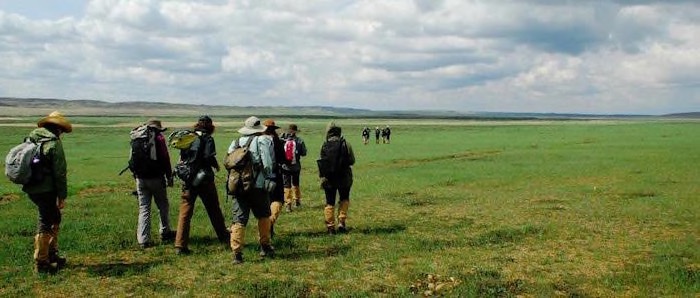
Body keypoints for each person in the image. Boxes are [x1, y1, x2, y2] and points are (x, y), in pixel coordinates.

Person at [21, 111, 72, 273]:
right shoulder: (53, 143)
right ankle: (41, 262)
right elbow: (60, 173)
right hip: (46, 189)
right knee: (46, 221)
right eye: (61, 130)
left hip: (31, 187)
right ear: (58, 128)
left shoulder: (31, 138)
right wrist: (62, 196)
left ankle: (51, 254)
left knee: (54, 217)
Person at [173, 115, 229, 255]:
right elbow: (208, 156)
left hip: (188, 179)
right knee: (213, 209)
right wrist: (215, 165)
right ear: (210, 126)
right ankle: (224, 238)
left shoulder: (188, 137)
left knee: (185, 213)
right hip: (204, 180)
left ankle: (180, 245)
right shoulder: (207, 138)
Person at [227, 116, 276, 264]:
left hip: (238, 186)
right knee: (263, 216)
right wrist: (269, 177)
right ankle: (265, 246)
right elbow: (267, 163)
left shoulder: (235, 142)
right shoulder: (261, 140)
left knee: (238, 220)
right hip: (257, 185)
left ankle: (237, 253)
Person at [131, 119, 175, 249]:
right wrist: (169, 176)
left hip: (140, 178)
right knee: (162, 205)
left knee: (144, 208)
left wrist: (136, 176)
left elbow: (131, 160)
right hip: (156, 177)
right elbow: (165, 158)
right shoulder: (159, 138)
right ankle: (165, 231)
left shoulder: (136, 137)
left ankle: (143, 240)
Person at [318, 121, 355, 234]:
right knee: (344, 199)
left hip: (329, 178)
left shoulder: (324, 145)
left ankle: (330, 227)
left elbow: (323, 161)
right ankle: (341, 222)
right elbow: (352, 161)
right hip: (344, 177)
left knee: (329, 202)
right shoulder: (346, 144)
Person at [262, 119, 286, 237]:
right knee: (277, 200)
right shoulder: (277, 141)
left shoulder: (258, 140)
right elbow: (283, 159)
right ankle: (270, 224)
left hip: (260, 177)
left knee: (265, 203)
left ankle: (266, 228)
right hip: (275, 175)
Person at [281, 124, 307, 211]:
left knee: (286, 185)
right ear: (296, 131)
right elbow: (304, 153)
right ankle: (297, 200)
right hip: (296, 166)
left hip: (285, 167)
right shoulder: (299, 141)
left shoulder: (283, 141)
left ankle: (288, 204)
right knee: (296, 183)